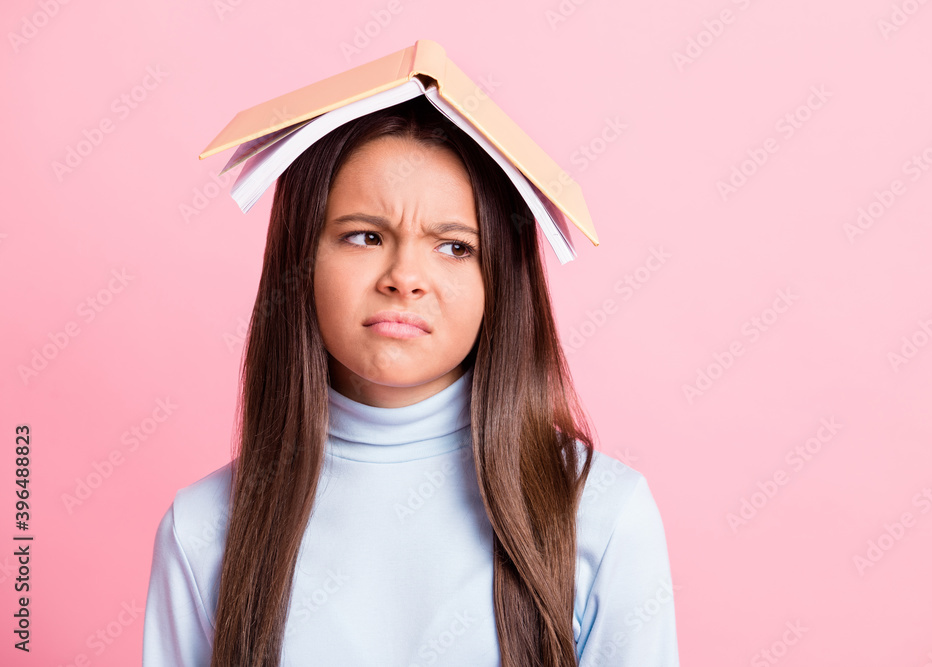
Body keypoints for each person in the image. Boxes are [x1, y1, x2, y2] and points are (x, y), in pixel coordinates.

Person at [142, 95, 681, 666]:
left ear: (500, 281)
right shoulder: (201, 528)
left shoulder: (601, 512)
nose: (404, 278)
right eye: (365, 236)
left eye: (454, 247)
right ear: (301, 259)